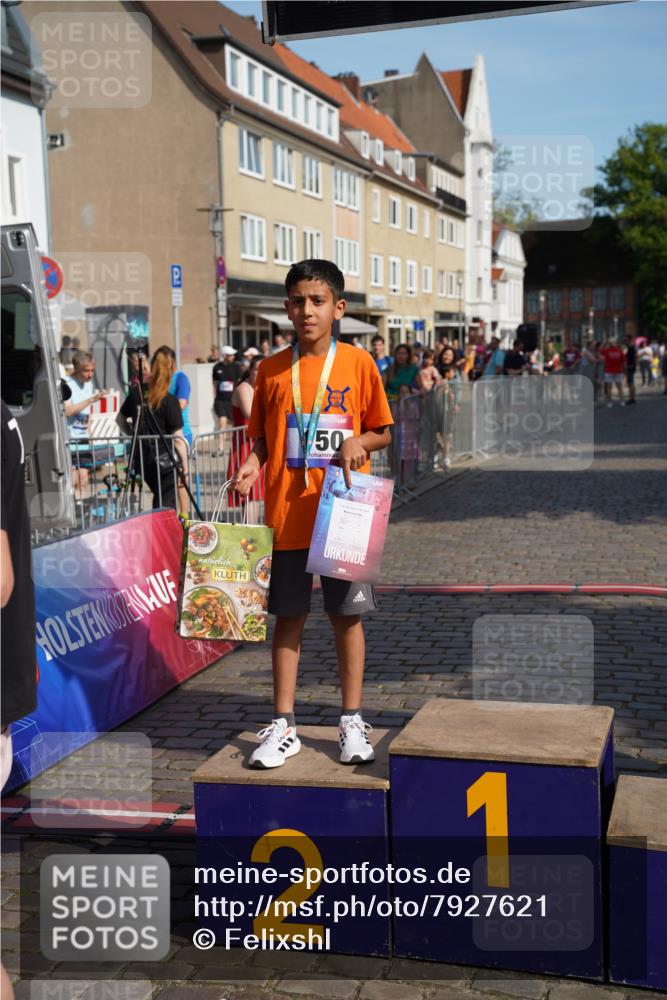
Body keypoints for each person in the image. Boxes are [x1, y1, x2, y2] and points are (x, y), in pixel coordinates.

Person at [233, 259, 393, 769]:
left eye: (318, 301)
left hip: (343, 510)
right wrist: (251, 466)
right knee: (288, 618)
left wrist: (357, 440)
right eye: (298, 301)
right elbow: (261, 437)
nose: (307, 311)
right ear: (286, 309)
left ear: (338, 308)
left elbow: (383, 430)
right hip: (286, 514)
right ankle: (283, 723)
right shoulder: (271, 370)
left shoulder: (359, 363)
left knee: (347, 617)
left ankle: (351, 719)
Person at [118, 346, 189, 512]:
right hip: (165, 460)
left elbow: (120, 420)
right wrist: (185, 465)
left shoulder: (137, 392)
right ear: (172, 368)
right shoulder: (170, 400)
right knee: (165, 504)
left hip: (143, 459)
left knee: (160, 497)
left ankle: (159, 532)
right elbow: (178, 439)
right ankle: (162, 536)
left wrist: (133, 433)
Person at [63, 351, 111, 499]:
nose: (90, 375)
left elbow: (88, 413)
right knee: (73, 480)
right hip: (69, 438)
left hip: (83, 438)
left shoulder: (88, 384)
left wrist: (89, 432)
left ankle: (81, 512)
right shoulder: (65, 383)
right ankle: (72, 515)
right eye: (86, 371)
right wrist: (91, 400)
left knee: (84, 480)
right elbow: (68, 410)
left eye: (92, 371)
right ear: (77, 368)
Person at [227, 356, 265, 511]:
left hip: (259, 445)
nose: (260, 373)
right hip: (245, 446)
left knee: (259, 495)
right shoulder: (244, 388)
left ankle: (257, 533)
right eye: (257, 369)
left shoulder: (261, 389)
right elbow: (251, 415)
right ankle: (249, 534)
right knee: (249, 493)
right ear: (250, 370)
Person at [212, 346, 242, 434]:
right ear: (225, 356)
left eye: (233, 355)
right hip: (220, 400)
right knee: (222, 422)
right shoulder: (216, 367)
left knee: (235, 424)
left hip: (233, 400)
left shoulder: (236, 367)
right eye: (230, 355)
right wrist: (214, 397)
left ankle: (233, 445)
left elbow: (239, 382)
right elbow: (214, 384)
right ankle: (221, 447)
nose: (233, 357)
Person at [169, 357, 193, 447]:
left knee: (183, 461)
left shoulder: (180, 378)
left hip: (182, 434)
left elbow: (181, 405)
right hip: (163, 435)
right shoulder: (158, 381)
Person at [600, 338, 626, 407]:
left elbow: (600, 351)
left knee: (609, 388)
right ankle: (622, 401)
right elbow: (623, 362)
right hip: (618, 371)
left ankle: (610, 403)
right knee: (619, 387)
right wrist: (624, 371)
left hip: (609, 371)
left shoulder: (607, 351)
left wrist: (604, 343)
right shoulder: (620, 351)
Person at [624, 335, 637, 405]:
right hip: (631, 366)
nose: (624, 341)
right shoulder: (631, 347)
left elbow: (633, 358)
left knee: (630, 383)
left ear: (629, 340)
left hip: (630, 367)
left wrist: (631, 366)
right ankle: (632, 398)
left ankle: (631, 398)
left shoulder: (631, 347)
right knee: (631, 383)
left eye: (625, 340)